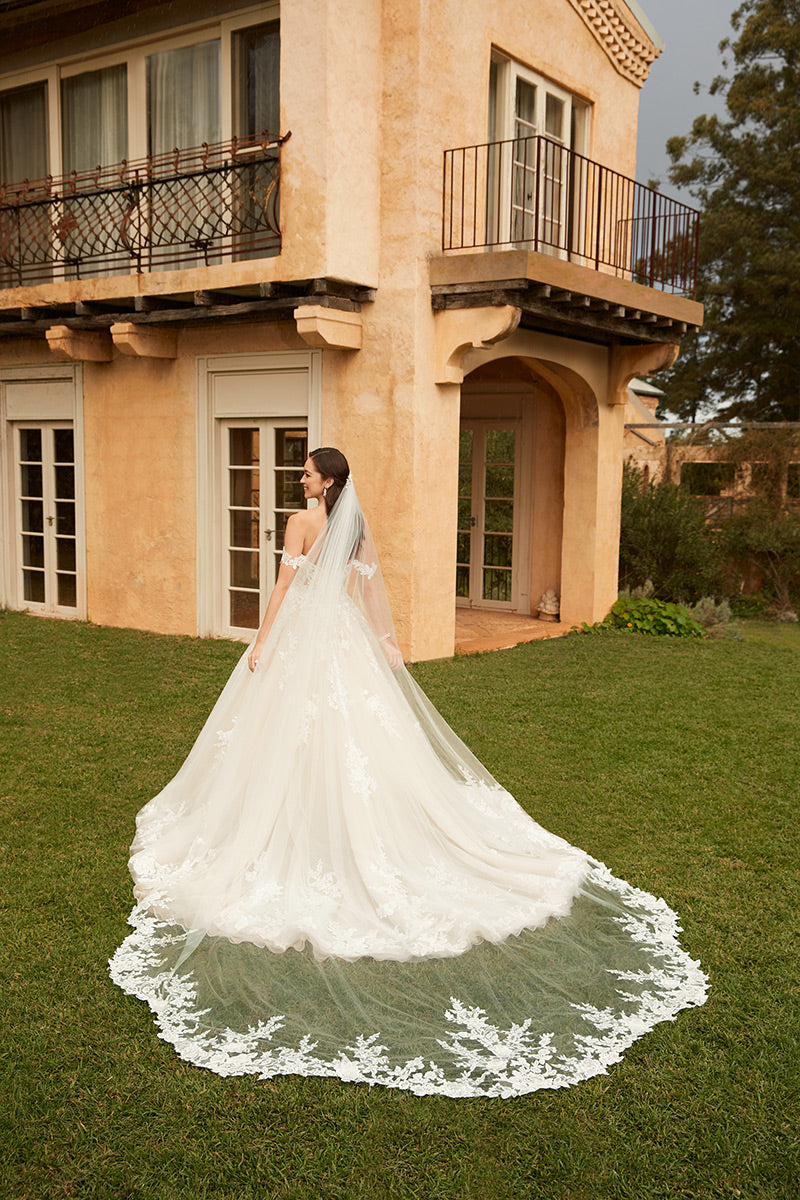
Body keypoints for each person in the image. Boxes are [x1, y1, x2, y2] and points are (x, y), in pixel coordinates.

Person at [109, 447, 707, 1098]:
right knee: (342, 740)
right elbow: (368, 589)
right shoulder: (355, 526)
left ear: (328, 481)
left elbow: (284, 587)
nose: (302, 477)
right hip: (339, 637)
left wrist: (263, 642)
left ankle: (312, 829)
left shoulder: (301, 522)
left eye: (309, 471)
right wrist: (383, 642)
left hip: (311, 636)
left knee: (314, 738)